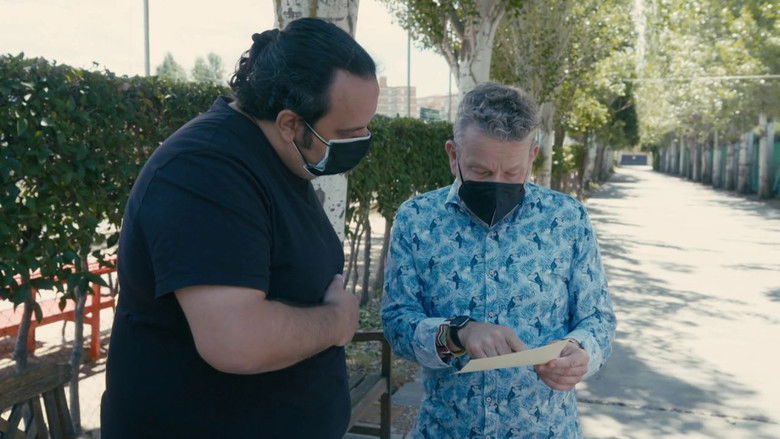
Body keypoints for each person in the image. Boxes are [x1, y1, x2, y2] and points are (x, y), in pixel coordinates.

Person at [101, 18, 379, 438]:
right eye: (348, 132)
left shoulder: (280, 157)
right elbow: (236, 341)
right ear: (290, 124)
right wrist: (337, 322)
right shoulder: (204, 170)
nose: (362, 139)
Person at [381, 82, 616, 438]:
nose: (497, 183)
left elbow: (598, 317)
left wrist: (582, 351)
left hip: (547, 430)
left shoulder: (567, 218)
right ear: (453, 155)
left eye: (512, 173)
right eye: (481, 172)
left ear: (532, 156)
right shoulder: (417, 220)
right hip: (446, 430)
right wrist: (457, 333)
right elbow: (397, 323)